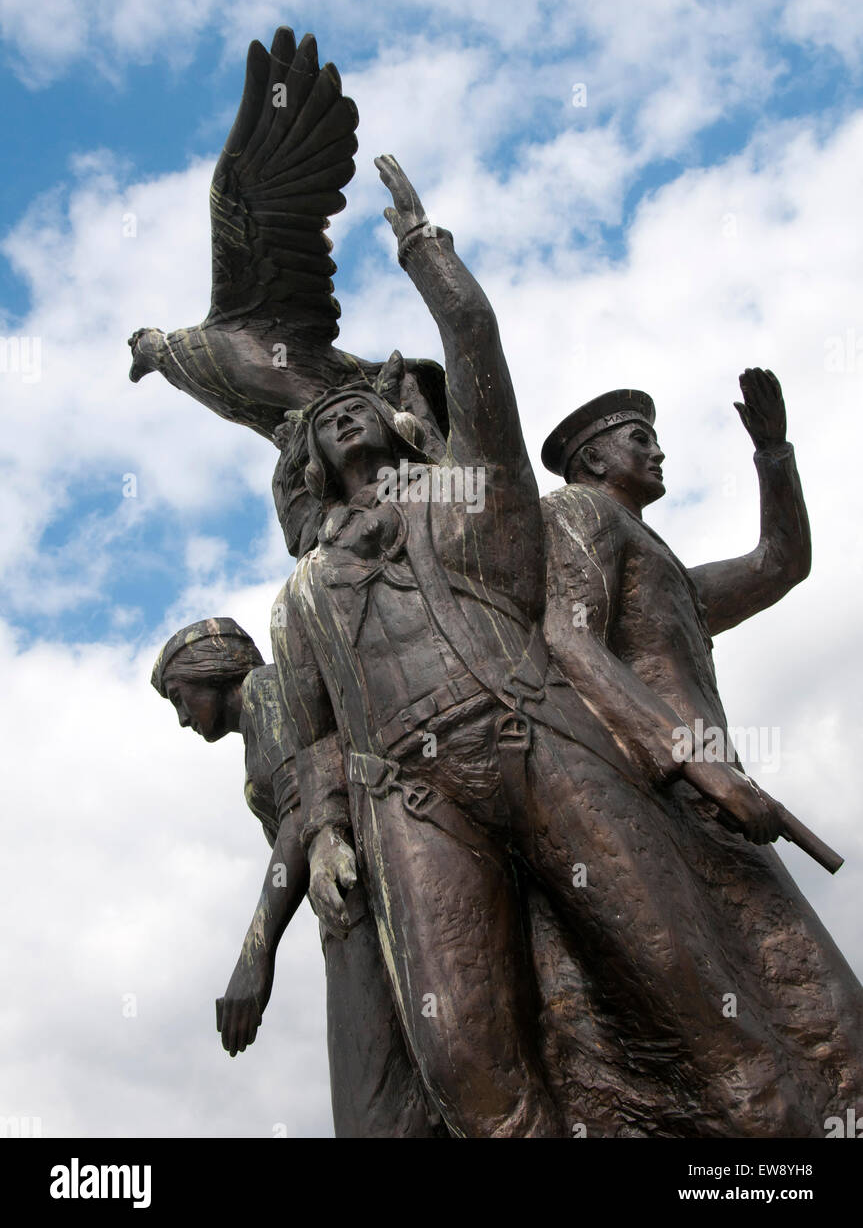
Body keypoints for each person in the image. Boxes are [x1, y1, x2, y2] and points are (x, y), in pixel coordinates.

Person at [272, 157, 817, 1139]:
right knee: (465, 1068)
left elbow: (474, 345)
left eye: (353, 405)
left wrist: (423, 251)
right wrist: (320, 837)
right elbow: (314, 738)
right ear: (308, 465)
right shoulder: (300, 593)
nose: (339, 414)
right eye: (321, 422)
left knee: (688, 994)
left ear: (401, 432)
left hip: (534, 737)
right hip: (408, 795)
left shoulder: (467, 495)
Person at [541, 374, 863, 1127]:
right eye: (637, 438)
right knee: (764, 1027)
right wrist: (702, 764)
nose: (657, 451)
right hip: (660, 791)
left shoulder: (666, 571)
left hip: (713, 798)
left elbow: (778, 565)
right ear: (590, 460)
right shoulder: (576, 512)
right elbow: (568, 635)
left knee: (825, 1021)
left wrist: (773, 457)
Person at [152, 617, 443, 1137]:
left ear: (212, 671)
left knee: (372, 1106)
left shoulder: (267, 690)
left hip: (366, 897)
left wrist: (253, 959)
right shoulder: (258, 721)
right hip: (351, 913)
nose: (180, 718)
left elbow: (300, 815)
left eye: (179, 696)